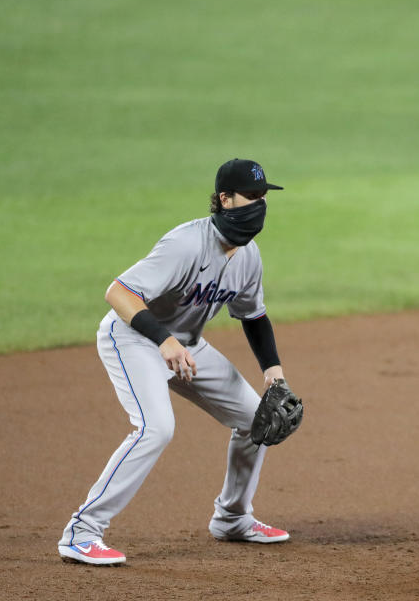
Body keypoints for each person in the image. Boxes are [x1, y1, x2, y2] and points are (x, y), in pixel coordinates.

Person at [58, 159, 297, 565]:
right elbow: (118, 293)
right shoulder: (186, 244)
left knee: (256, 418)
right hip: (133, 338)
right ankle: (82, 533)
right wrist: (164, 340)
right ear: (225, 199)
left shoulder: (249, 256)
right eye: (252, 196)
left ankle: (233, 518)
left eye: (263, 198)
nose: (259, 205)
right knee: (156, 428)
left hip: (185, 346)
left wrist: (273, 372)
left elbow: (254, 316)